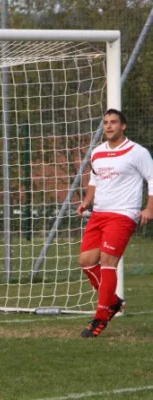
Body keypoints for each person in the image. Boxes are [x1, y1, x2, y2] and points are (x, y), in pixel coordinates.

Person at [77, 108, 153, 338]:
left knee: (108, 261)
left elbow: (152, 179)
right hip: (99, 214)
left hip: (123, 214)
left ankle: (100, 318)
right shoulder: (98, 152)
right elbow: (94, 179)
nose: (109, 126)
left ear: (123, 126)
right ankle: (112, 301)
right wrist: (87, 201)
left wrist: (149, 207)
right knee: (86, 261)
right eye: (106, 122)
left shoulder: (137, 152)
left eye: (113, 122)